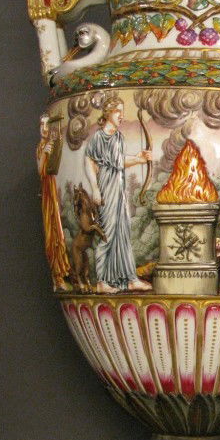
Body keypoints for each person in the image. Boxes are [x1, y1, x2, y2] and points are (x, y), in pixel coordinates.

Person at [83, 95, 153, 293]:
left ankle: (129, 278)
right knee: (108, 232)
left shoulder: (118, 137)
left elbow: (119, 161)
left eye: (122, 112)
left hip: (119, 188)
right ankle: (102, 281)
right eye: (117, 112)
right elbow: (89, 161)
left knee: (122, 232)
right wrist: (95, 188)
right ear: (107, 113)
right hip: (107, 188)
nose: (121, 116)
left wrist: (139, 158)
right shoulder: (98, 137)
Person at [37, 113, 70, 291]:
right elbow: (41, 170)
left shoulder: (51, 144)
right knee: (51, 232)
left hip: (52, 191)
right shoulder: (42, 147)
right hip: (47, 193)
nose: (44, 129)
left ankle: (60, 274)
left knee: (56, 229)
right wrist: (44, 154)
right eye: (41, 126)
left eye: (47, 126)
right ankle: (56, 276)